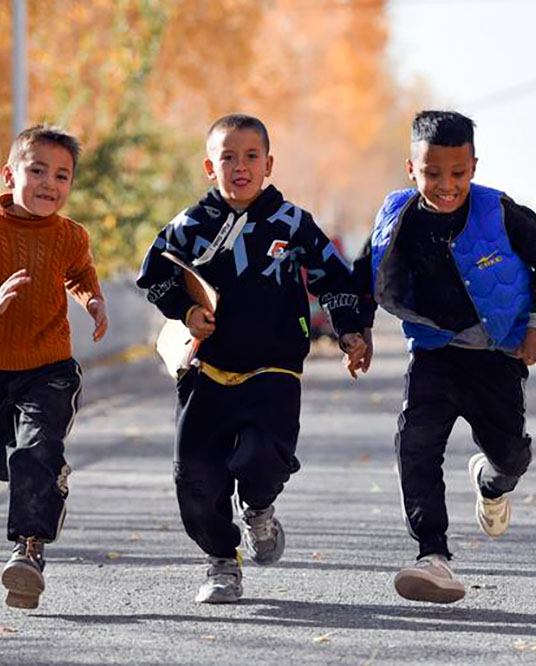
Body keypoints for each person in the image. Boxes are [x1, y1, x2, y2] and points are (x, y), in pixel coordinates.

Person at [136, 114, 366, 604]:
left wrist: (349, 332)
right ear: (208, 166)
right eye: (227, 157)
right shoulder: (189, 226)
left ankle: (259, 508)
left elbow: (334, 278)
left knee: (263, 459)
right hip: (206, 370)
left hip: (275, 368)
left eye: (250, 157)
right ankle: (222, 561)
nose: (239, 167)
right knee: (195, 471)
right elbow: (153, 276)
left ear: (268, 164)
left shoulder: (292, 222)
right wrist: (186, 310)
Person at [346, 110, 536, 604]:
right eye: (432, 174)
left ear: (474, 167)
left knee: (509, 454)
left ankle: (490, 484)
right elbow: (365, 275)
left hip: (495, 355)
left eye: (458, 174)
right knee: (416, 445)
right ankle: (433, 554)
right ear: (411, 168)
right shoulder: (396, 217)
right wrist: (356, 333)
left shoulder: (500, 212)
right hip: (434, 352)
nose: (445, 186)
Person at [0, 124, 108, 611]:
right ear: (10, 174)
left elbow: (80, 273)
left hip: (50, 365)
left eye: (62, 176)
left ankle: (28, 551)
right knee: (0, 462)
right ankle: (46, 475)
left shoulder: (70, 235)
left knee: (35, 449)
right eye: (37, 170)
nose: (49, 184)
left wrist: (93, 300)